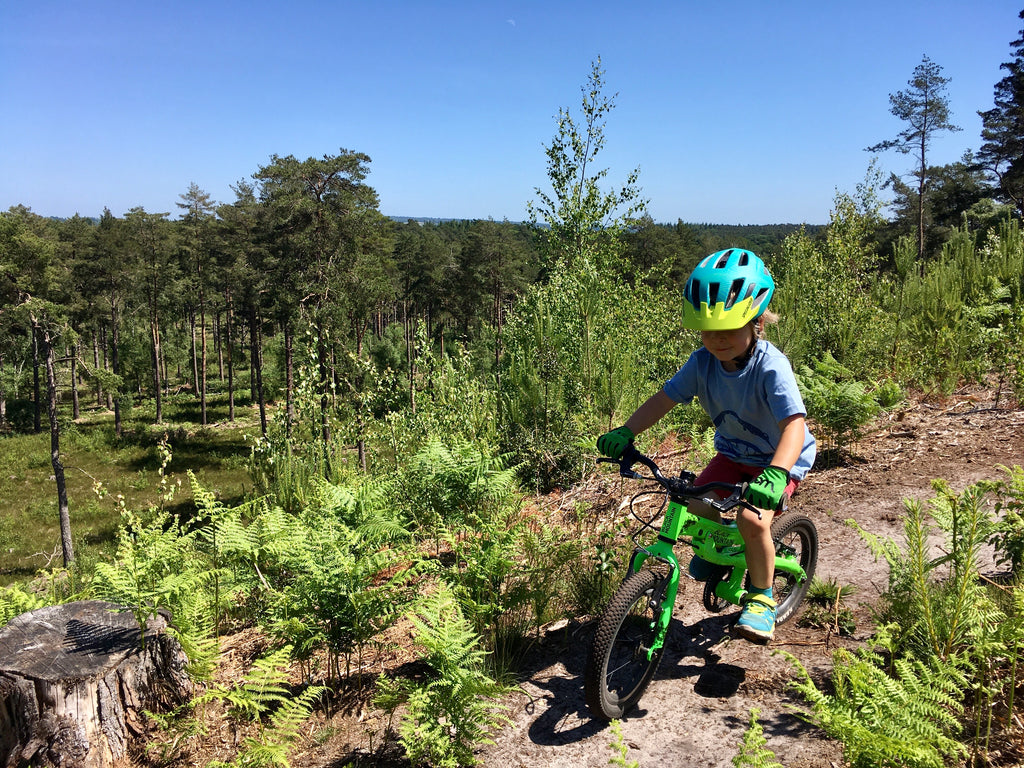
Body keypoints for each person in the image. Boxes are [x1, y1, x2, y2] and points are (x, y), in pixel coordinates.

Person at [597, 248, 816, 643]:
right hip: (733, 455)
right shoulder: (702, 363)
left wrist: (778, 471)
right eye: (707, 330)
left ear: (756, 322)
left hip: (779, 457)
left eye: (728, 329)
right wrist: (627, 431)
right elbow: (663, 399)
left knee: (752, 520)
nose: (717, 340)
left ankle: (763, 598)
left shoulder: (770, 367)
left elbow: (794, 427)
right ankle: (720, 556)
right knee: (694, 500)